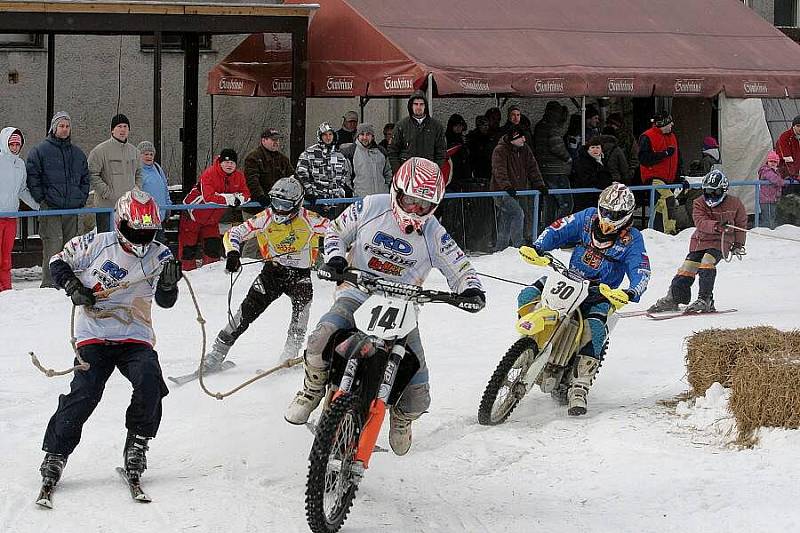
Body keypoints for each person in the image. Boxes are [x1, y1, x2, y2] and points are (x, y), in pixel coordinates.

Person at [284, 157, 485, 456]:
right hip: (357, 293)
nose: (415, 210)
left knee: (419, 396)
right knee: (319, 339)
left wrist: (471, 289)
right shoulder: (371, 207)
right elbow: (336, 231)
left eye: (424, 205)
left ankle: (401, 418)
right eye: (410, 200)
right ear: (397, 191)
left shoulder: (433, 232)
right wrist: (336, 258)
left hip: (403, 308)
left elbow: (460, 266)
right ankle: (313, 388)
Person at [38, 189, 182, 491]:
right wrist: (73, 286)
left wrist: (169, 285)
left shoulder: (161, 255)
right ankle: (56, 452)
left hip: (135, 334)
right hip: (94, 333)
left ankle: (138, 443)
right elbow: (57, 260)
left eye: (148, 231)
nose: (141, 238)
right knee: (86, 391)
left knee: (149, 380)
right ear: (120, 223)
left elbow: (167, 302)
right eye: (134, 230)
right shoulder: (96, 242)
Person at [517, 182, 650, 415]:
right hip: (568, 278)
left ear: (626, 217)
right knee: (527, 295)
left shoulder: (633, 239)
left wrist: (631, 291)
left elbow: (642, 268)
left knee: (596, 328)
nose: (608, 219)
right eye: (605, 211)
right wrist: (538, 247)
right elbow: (558, 229)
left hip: (601, 291)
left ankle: (580, 387)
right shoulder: (587, 218)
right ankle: (528, 346)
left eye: (615, 215)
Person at [204, 176, 329, 367]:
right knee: (244, 314)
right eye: (275, 202)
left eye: (285, 205)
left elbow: (337, 231)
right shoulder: (266, 217)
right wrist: (233, 254)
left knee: (299, 321)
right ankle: (216, 355)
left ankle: (288, 357)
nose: (279, 209)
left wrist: (338, 255)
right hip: (272, 273)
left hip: (300, 277)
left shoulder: (310, 219)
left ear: (297, 204)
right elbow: (233, 233)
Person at [648, 170, 746, 314]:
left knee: (707, 262)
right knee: (687, 267)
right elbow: (700, 222)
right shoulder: (699, 203)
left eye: (716, 192)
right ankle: (674, 298)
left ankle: (705, 299)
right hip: (701, 240)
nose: (711, 195)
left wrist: (738, 244)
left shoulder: (735, 203)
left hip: (721, 241)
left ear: (724, 190)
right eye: (708, 191)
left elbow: (741, 224)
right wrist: (716, 226)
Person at [26, 111, 90, 288]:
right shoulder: (40, 151)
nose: (65, 129)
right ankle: (49, 284)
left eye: (67, 126)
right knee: (53, 246)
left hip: (72, 208)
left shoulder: (77, 153)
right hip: (51, 208)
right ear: (54, 128)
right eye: (61, 126)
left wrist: (80, 198)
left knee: (70, 248)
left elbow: (86, 178)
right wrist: (42, 199)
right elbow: (33, 176)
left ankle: (68, 283)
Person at [179, 149, 250, 271]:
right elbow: (208, 197)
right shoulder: (209, 174)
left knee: (212, 249)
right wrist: (229, 199)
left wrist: (239, 198)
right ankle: (185, 277)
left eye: (232, 163)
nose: (229, 165)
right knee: (188, 250)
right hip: (192, 215)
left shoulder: (239, 176)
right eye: (226, 162)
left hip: (212, 219)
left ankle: (211, 277)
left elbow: (246, 193)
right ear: (220, 162)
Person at [490, 126, 546, 250]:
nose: (524, 139)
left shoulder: (525, 149)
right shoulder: (500, 150)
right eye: (521, 137)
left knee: (506, 217)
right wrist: (506, 186)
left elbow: (533, 167)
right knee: (517, 213)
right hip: (502, 191)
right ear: (513, 138)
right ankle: (517, 246)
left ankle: (501, 247)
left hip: (519, 191)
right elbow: (499, 170)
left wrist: (539, 184)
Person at [0, 127, 40, 291]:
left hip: (11, 217)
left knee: (6, 257)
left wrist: (38, 206)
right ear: (4, 143)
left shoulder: (20, 164)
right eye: (12, 144)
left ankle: (6, 288)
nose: (15, 148)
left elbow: (22, 190)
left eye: (18, 144)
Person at [88, 114, 142, 233]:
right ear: (112, 130)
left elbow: (139, 173)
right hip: (107, 208)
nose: (122, 129)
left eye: (125, 126)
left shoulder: (135, 152)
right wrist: (106, 192)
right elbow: (92, 174)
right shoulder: (100, 151)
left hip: (128, 208)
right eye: (119, 126)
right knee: (107, 242)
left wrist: (136, 189)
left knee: (128, 241)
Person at [638, 111, 682, 235]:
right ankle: (670, 231)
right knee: (668, 199)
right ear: (662, 124)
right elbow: (643, 159)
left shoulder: (672, 136)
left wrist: (680, 177)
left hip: (670, 178)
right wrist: (664, 154)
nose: (672, 124)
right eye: (669, 123)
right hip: (654, 177)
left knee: (660, 206)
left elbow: (678, 159)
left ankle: (655, 232)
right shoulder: (647, 136)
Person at [533, 101, 573, 228]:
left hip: (543, 170)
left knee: (550, 203)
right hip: (556, 170)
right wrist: (568, 158)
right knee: (566, 204)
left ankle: (547, 230)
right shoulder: (553, 127)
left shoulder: (540, 126)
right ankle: (558, 231)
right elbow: (556, 146)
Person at [388, 90, 446, 173]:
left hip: (429, 174)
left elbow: (441, 152)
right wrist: (399, 172)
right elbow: (392, 151)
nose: (418, 107)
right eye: (415, 104)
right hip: (407, 174)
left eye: (421, 104)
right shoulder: (401, 126)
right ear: (411, 106)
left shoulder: (436, 126)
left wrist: (435, 170)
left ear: (425, 106)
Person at [243, 128, 293, 210]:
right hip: (256, 208)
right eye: (273, 140)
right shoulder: (253, 158)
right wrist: (260, 197)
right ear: (263, 140)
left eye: (277, 140)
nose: (276, 142)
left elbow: (293, 178)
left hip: (278, 207)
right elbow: (252, 180)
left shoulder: (283, 159)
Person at [338, 122, 392, 197]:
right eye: (362, 134)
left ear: (372, 136)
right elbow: (346, 177)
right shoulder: (351, 152)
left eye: (368, 134)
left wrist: (385, 188)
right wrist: (353, 193)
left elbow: (388, 173)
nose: (365, 137)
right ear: (357, 136)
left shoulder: (381, 151)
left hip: (381, 196)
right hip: (361, 198)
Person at [137, 141, 171, 244]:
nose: (149, 156)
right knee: (147, 245)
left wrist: (168, 206)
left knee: (159, 246)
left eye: (151, 154)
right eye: (146, 154)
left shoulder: (157, 168)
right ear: (139, 155)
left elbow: (165, 189)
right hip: (145, 217)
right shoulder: (137, 171)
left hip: (160, 215)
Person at [572, 136, 613, 212]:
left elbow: (607, 177)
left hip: (598, 198)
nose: (595, 150)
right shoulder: (582, 161)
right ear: (588, 149)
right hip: (585, 198)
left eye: (597, 147)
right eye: (592, 147)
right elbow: (588, 180)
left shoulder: (603, 160)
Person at [758, 150, 785, 229]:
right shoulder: (766, 170)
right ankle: (766, 231)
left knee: (772, 216)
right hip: (766, 199)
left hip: (773, 199)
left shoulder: (776, 171)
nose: (773, 163)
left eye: (775, 162)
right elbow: (774, 179)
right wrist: (782, 182)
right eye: (771, 161)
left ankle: (771, 229)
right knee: (767, 218)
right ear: (767, 162)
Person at [775, 114, 800, 180]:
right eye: (798, 126)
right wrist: (794, 175)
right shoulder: (785, 137)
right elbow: (787, 158)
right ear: (793, 126)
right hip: (786, 174)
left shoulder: (797, 138)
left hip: (796, 173)